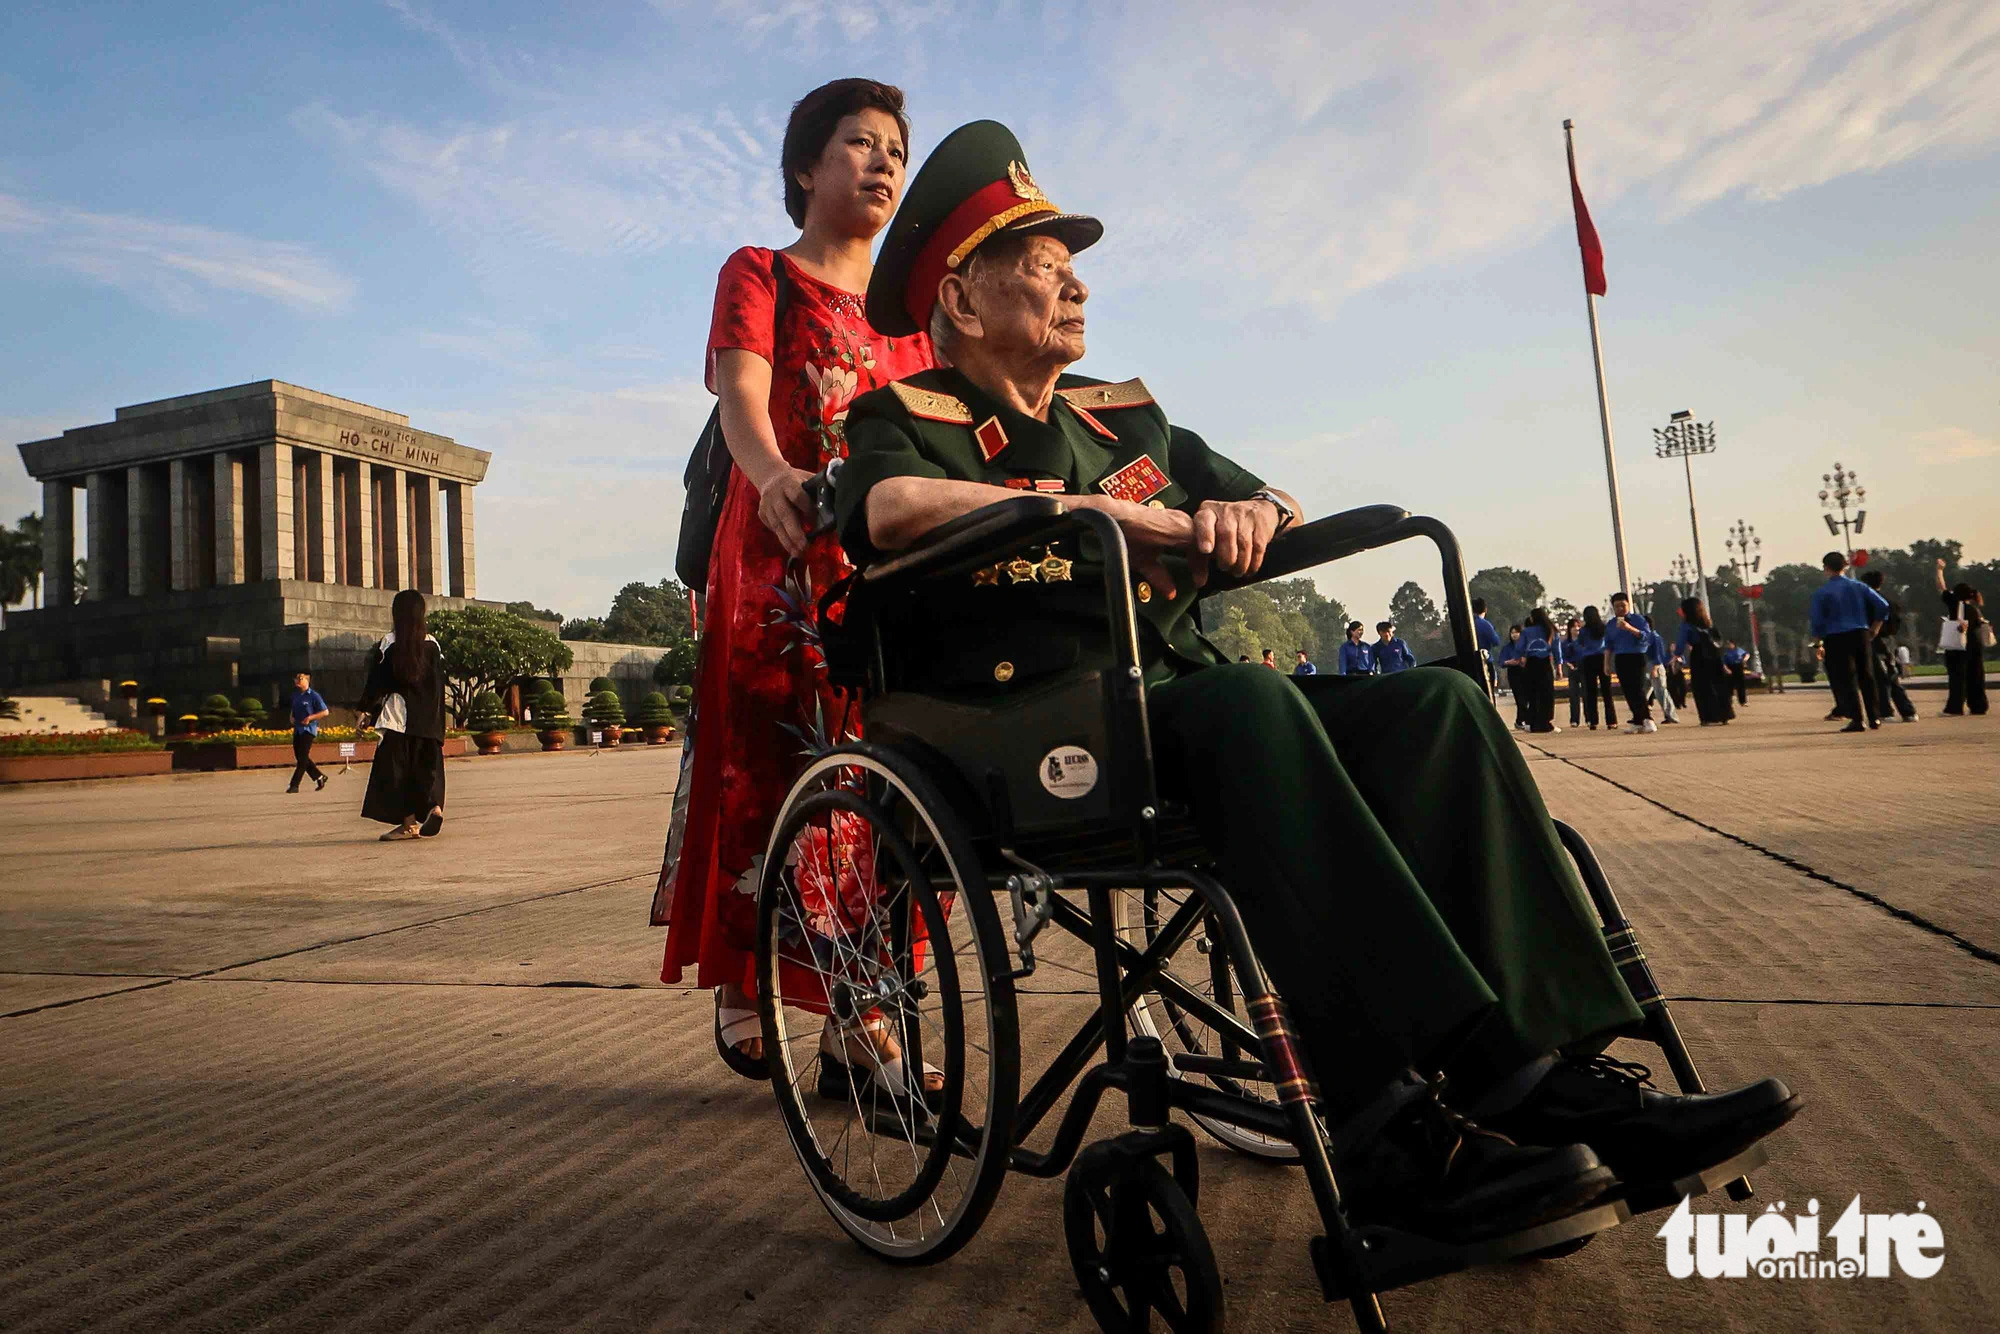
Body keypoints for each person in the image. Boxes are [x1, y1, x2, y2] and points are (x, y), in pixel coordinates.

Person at [835, 119, 1798, 1240]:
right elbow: (885, 512)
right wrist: (1090, 511)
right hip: (1030, 725)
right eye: (1047, 267)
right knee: (1250, 700)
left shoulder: (1124, 414)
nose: (1078, 286)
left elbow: (1271, 502)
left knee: (1434, 704)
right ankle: (1393, 1122)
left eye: (1073, 265)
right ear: (960, 298)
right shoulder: (907, 416)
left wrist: (1254, 512)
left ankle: (1551, 1069)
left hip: (1176, 702)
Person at [653, 78, 938, 1082]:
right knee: (772, 769)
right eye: (858, 144)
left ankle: (854, 1014)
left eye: (895, 151)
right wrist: (773, 474)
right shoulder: (760, 271)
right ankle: (754, 977)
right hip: (775, 556)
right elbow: (741, 390)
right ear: (804, 167)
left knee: (881, 776)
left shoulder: (921, 315)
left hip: (885, 569)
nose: (881, 163)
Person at [357, 590, 447, 840]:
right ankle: (434, 808)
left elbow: (378, 682)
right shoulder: (433, 645)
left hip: (399, 720)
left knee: (396, 773)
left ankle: (408, 824)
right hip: (428, 721)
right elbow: (439, 685)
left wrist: (365, 710)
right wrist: (439, 725)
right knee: (427, 770)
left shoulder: (390, 643)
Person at [1809, 551, 1888, 734]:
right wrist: (1875, 627)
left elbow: (1817, 620)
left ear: (1826, 568)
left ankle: (1857, 719)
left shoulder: (1822, 593)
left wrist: (1818, 642)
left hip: (1835, 637)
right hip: (1860, 633)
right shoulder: (1859, 587)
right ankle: (1874, 717)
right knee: (1866, 675)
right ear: (1845, 566)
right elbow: (1882, 605)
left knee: (1846, 679)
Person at [1859, 571, 1916, 723]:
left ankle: (1886, 711)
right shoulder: (1891, 602)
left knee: (1881, 677)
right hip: (1888, 641)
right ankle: (1907, 711)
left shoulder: (1868, 603)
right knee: (1890, 675)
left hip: (1875, 640)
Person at [1935, 560, 1984, 717]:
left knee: (1957, 677)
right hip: (1974, 645)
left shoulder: (1956, 605)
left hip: (1958, 647)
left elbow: (1941, 587)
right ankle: (1978, 705)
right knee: (1975, 675)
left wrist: (1939, 570)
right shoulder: (1974, 610)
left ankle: (1955, 707)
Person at [1676, 599, 1732, 726]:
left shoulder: (1687, 624)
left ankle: (1708, 716)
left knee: (1702, 687)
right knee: (1718, 684)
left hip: (1699, 656)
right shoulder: (1708, 622)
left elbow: (1681, 642)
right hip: (1714, 656)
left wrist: (1676, 655)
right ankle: (1724, 714)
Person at [1604, 593, 1654, 733]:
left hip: (1637, 656)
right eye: (1617, 606)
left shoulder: (1639, 620)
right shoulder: (1611, 624)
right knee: (1627, 690)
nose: (1620, 608)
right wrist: (1606, 664)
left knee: (1638, 688)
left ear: (1628, 605)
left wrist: (1629, 628)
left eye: (1623, 605)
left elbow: (1645, 637)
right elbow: (1608, 645)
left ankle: (1647, 719)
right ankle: (1637, 720)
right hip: (1621, 658)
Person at [286, 671, 329, 793]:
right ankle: (319, 776)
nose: (298, 681)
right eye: (297, 679)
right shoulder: (296, 695)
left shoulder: (314, 696)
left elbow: (325, 712)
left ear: (307, 681)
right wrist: (291, 717)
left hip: (308, 730)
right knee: (300, 757)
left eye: (301, 679)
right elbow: (293, 710)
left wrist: (310, 718)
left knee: (303, 758)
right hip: (298, 730)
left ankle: (294, 785)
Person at [1575, 606, 1617, 731]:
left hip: (1589, 660)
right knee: (1607, 692)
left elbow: (1580, 643)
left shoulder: (1583, 630)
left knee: (1591, 692)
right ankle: (1611, 721)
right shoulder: (1604, 628)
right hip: (1603, 658)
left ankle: (1593, 721)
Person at [1518, 608, 1560, 733]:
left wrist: (1521, 658)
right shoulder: (1550, 631)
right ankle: (1546, 722)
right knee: (1546, 693)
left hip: (1531, 664)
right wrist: (1559, 667)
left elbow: (1520, 648)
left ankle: (1533, 723)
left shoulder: (1526, 632)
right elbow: (1557, 650)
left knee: (1532, 694)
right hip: (1545, 663)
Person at [1644, 626, 1681, 725]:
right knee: (1644, 692)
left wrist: (1655, 668)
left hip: (1655, 666)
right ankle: (1642, 715)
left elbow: (1658, 655)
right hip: (1648, 665)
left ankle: (1671, 716)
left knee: (1661, 692)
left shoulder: (1655, 637)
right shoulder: (1647, 636)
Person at [1500, 625, 1528, 729]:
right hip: (1513, 673)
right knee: (1519, 698)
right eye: (1512, 632)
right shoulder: (1507, 648)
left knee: (1527, 698)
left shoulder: (1526, 646)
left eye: (1517, 632)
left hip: (1525, 672)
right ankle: (1522, 721)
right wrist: (1511, 662)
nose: (1514, 635)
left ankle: (1521, 720)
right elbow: (1502, 662)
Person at [1472, 597, 1501, 695]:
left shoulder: (1467, 623)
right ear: (1485, 610)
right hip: (1484, 661)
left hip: (1469, 661)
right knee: (1488, 693)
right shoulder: (1485, 624)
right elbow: (1496, 641)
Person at [1721, 640, 1751, 709]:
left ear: (1733, 644)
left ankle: (1743, 701)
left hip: (1739, 668)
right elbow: (1723, 663)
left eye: (1730, 644)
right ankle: (1729, 702)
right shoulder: (1726, 653)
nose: (1729, 645)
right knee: (1729, 687)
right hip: (1730, 668)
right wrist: (1727, 670)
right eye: (1728, 644)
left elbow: (1747, 654)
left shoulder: (1739, 650)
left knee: (1741, 686)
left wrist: (1745, 660)